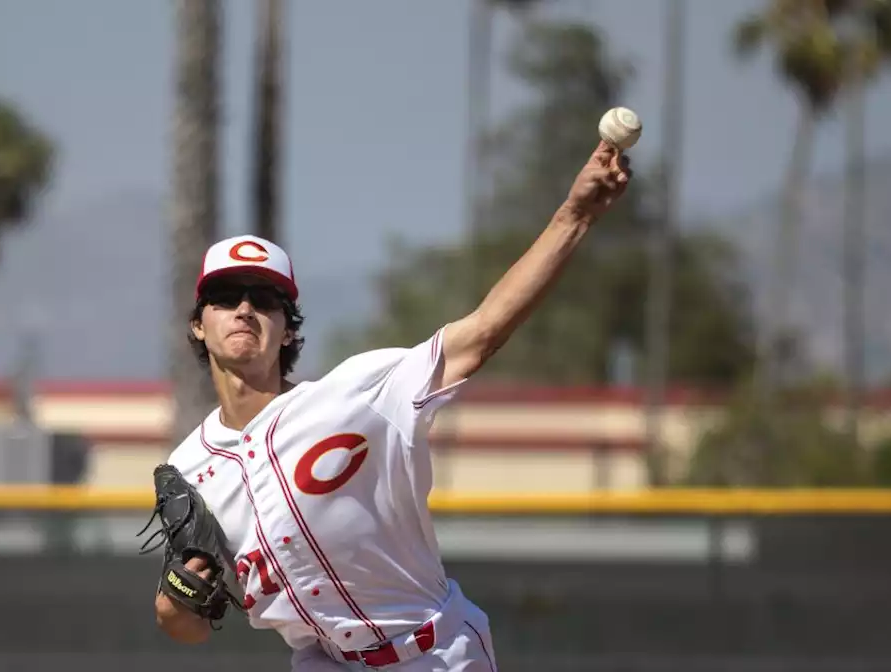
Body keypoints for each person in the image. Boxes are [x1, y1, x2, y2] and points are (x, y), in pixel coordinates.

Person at [155, 139, 632, 670]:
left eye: (265, 300)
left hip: (432, 654)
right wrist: (173, 604)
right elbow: (188, 626)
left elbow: (482, 333)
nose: (244, 309)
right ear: (199, 323)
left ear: (289, 330)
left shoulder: (360, 392)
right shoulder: (189, 467)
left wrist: (575, 215)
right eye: (225, 298)